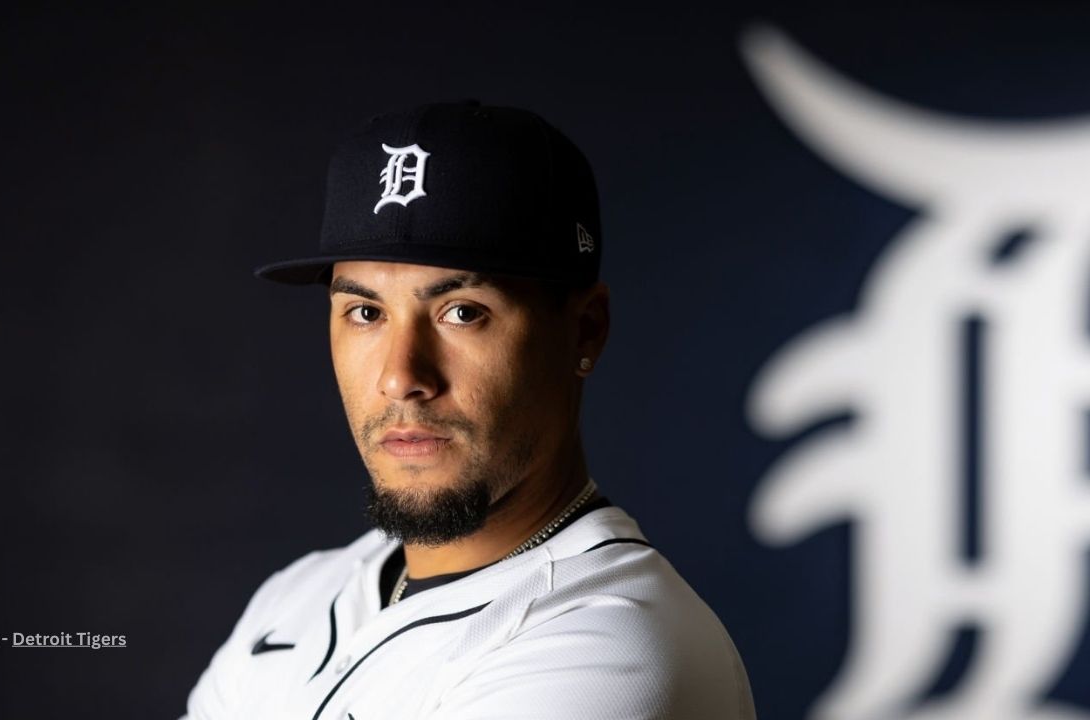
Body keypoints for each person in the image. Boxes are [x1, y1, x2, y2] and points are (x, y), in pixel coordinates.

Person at [182, 100, 755, 719]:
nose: (402, 377)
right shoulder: (298, 595)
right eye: (366, 313)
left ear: (585, 331)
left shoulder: (610, 653)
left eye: (462, 312)